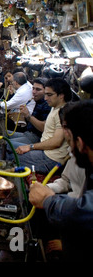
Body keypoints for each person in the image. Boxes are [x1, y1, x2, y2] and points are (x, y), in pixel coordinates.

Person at [29, 99, 93, 262]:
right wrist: (45, 189)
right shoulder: (81, 160)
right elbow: (66, 181)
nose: (70, 149)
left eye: (70, 141)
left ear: (79, 142)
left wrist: (49, 200)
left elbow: (84, 210)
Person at [14, 78, 71, 174]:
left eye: (49, 95)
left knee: (12, 158)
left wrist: (30, 147)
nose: (45, 98)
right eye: (45, 95)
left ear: (61, 95)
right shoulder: (54, 108)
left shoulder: (62, 112)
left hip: (51, 159)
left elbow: (56, 142)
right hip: (45, 152)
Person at [8, 77, 51, 146]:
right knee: (2, 134)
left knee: (5, 143)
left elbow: (43, 128)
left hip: (35, 138)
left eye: (38, 89)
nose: (33, 92)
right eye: (33, 88)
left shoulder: (47, 105)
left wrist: (28, 115)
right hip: (27, 133)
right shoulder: (37, 101)